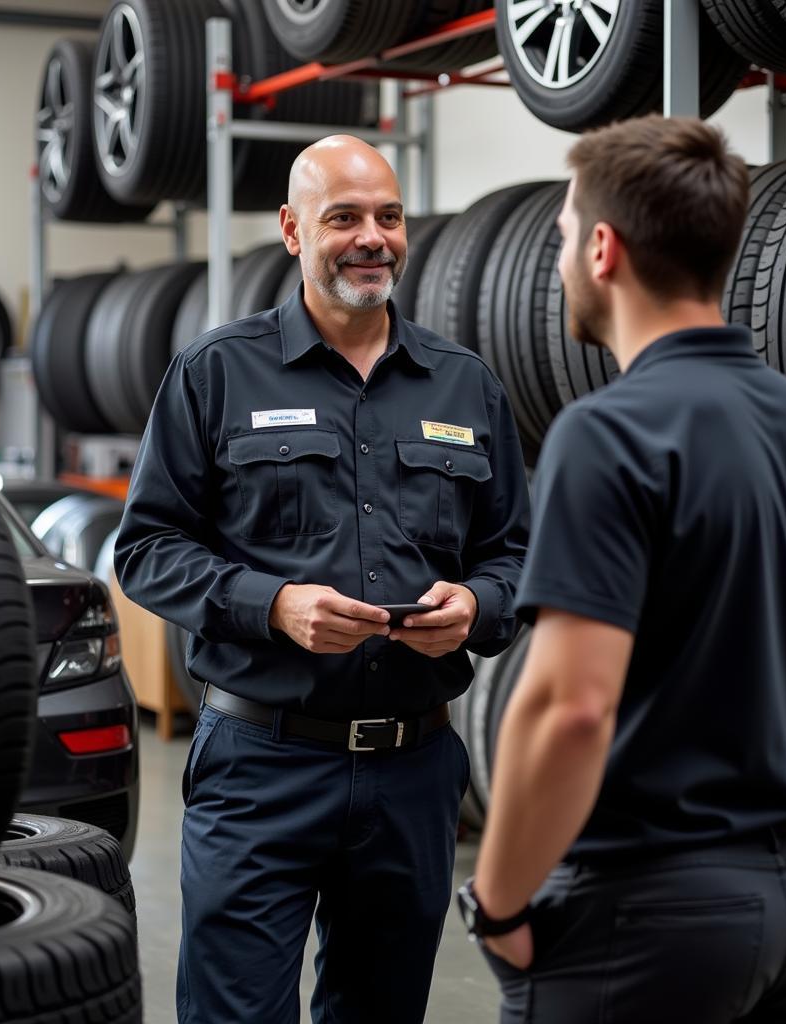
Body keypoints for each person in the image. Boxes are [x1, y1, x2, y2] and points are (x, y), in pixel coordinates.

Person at [459, 115, 786, 1024]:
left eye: (567, 234)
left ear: (606, 249)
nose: (563, 254)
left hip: (656, 916)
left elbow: (572, 707)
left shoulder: (609, 436)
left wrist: (496, 905)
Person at [114, 134, 529, 1023]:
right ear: (293, 231)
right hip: (262, 763)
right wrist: (274, 605)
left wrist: (478, 605)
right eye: (343, 217)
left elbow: (517, 554)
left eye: (388, 216)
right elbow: (146, 548)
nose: (371, 237)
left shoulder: (466, 386)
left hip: (416, 768)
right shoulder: (217, 372)